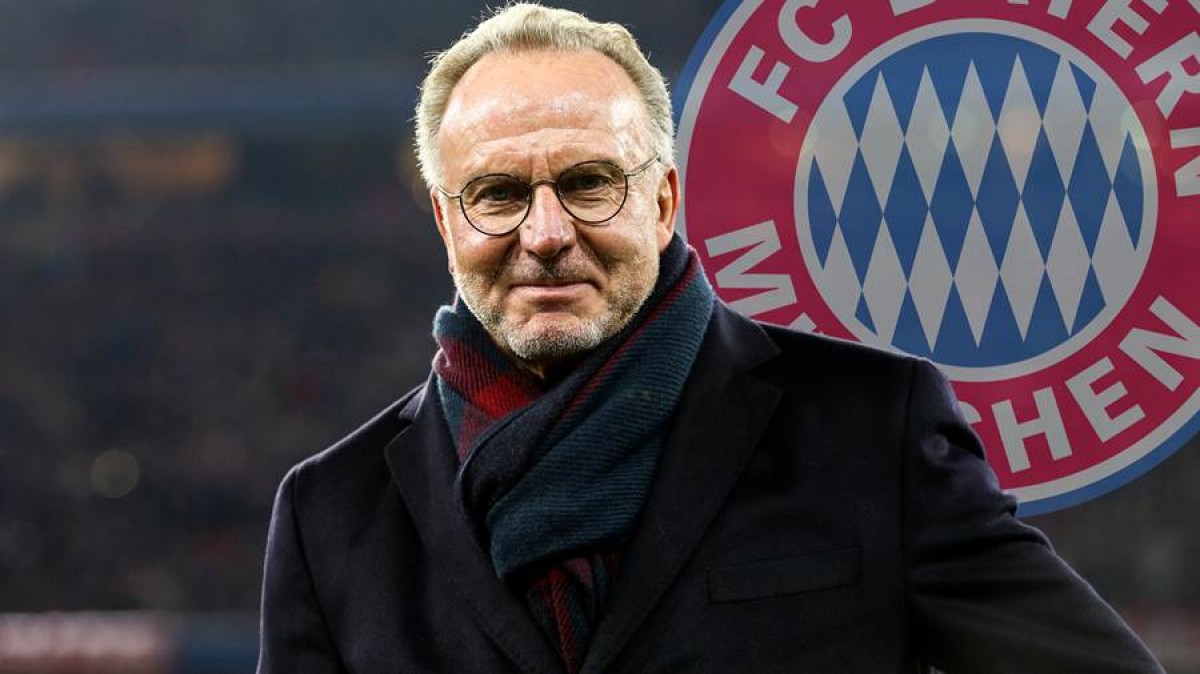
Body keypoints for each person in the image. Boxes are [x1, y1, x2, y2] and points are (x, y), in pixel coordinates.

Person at [257, 4, 1165, 673]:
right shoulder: (330, 515)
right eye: (498, 195)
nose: (546, 234)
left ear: (663, 203)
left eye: (589, 183)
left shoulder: (869, 431)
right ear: (447, 224)